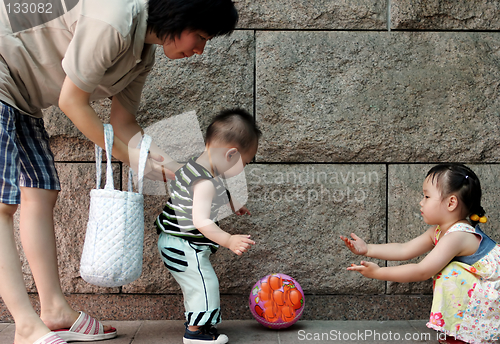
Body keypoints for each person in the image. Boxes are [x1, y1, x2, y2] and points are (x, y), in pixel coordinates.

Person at [0, 0, 239, 343]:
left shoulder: (143, 54)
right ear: (178, 17)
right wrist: (130, 155)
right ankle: (24, 325)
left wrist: (174, 169)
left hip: (22, 95)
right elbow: (72, 101)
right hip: (3, 67)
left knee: (41, 190)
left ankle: (53, 310)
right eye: (199, 36)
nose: (199, 50)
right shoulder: (115, 17)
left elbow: (124, 123)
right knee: (3, 204)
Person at [340, 164, 500, 344]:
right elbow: (404, 249)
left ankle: (466, 335)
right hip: (482, 299)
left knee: (449, 273)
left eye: (427, 196)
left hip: (493, 300)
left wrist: (378, 273)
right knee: (450, 272)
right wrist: (368, 249)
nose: (421, 202)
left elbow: (421, 270)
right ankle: (459, 333)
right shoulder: (439, 231)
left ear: (451, 203)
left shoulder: (458, 235)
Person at [155, 108, 260, 344]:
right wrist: (229, 240)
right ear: (231, 155)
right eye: (246, 162)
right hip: (183, 243)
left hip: (175, 239)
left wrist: (232, 203)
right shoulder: (205, 183)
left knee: (197, 282)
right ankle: (195, 334)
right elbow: (201, 221)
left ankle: (201, 326)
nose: (244, 168)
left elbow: (208, 192)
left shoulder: (196, 167)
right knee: (204, 282)